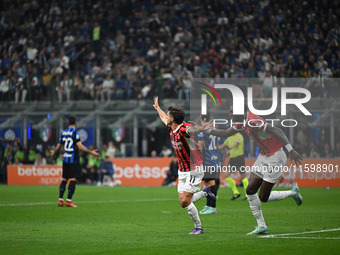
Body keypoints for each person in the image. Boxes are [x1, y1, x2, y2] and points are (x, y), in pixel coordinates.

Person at [190, 106, 303, 235]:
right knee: (250, 189)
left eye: (232, 111)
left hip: (276, 157)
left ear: (240, 111)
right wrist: (207, 130)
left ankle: (292, 193)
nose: (230, 113)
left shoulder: (253, 121)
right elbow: (226, 133)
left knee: (263, 197)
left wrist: (290, 150)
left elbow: (278, 130)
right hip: (264, 156)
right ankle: (261, 226)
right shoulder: (241, 123)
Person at [153, 97, 216, 234]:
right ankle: (205, 192)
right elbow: (163, 117)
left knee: (186, 200)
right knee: (183, 203)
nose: (167, 117)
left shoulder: (183, 129)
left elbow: (192, 130)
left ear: (173, 118)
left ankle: (199, 227)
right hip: (182, 169)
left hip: (194, 169)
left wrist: (202, 128)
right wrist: (157, 107)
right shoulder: (171, 126)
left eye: (169, 115)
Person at [52, 115, 99, 207]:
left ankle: (60, 200)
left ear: (68, 122)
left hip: (65, 159)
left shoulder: (63, 132)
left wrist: (54, 153)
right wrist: (91, 152)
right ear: (76, 122)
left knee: (64, 179)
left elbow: (58, 145)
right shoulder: (75, 133)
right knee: (73, 179)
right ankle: (69, 200)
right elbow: (80, 146)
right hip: (73, 159)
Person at [197, 112, 220, 215]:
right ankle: (208, 205)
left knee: (210, 183)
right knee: (207, 183)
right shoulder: (214, 129)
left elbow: (200, 147)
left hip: (207, 160)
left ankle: (212, 207)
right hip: (214, 159)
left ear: (201, 118)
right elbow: (217, 145)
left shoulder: (202, 131)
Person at [218, 132, 249, 200]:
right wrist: (217, 147)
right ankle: (236, 193)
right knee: (226, 175)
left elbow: (236, 144)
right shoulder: (229, 137)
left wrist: (230, 147)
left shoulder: (239, 135)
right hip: (232, 159)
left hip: (239, 158)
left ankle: (247, 195)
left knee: (243, 177)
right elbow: (224, 145)